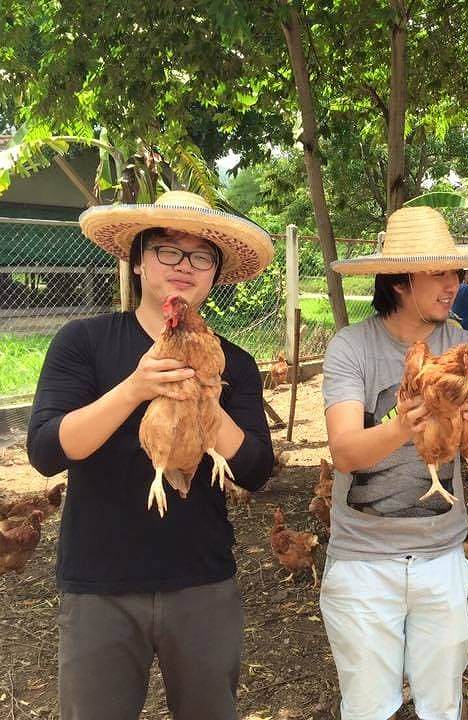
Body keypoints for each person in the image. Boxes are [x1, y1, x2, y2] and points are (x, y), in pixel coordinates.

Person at [26, 191, 276, 720]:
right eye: (167, 250)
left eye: (200, 256)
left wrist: (211, 399)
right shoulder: (84, 342)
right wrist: (135, 388)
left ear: (215, 273)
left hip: (202, 581)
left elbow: (255, 470)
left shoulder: (233, 361)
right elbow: (47, 451)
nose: (185, 266)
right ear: (138, 260)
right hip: (102, 585)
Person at [321, 206, 468, 720]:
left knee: (442, 706)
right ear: (402, 281)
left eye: (456, 272)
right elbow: (345, 453)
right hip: (362, 563)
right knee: (367, 709)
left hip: (442, 559)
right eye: (440, 273)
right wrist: (403, 423)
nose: (455, 285)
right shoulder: (351, 348)